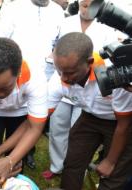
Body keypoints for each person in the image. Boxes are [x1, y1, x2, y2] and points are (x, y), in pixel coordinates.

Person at [42, 0, 118, 180]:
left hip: (95, 94)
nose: (87, 8)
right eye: (84, 4)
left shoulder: (108, 28)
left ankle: (80, 170)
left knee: (78, 137)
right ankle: (59, 166)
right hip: (72, 88)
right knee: (58, 127)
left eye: (91, 5)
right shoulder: (66, 22)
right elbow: (39, 117)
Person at [48, 32, 132, 190]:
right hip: (90, 118)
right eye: (60, 72)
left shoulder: (116, 73)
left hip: (122, 124)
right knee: (73, 160)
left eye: (70, 73)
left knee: (113, 174)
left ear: (89, 62)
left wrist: (110, 161)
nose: (64, 78)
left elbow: (124, 125)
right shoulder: (60, 77)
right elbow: (38, 120)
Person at [0, 37, 48, 183]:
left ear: (18, 72)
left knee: (16, 158)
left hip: (22, 111)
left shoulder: (36, 77)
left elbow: (34, 128)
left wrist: (11, 160)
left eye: (4, 88)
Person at [0, 0, 64, 168]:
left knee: (31, 121)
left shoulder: (57, 11)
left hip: (42, 79)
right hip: (13, 79)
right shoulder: (14, 7)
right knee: (4, 123)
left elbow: (60, 43)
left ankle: (22, 157)